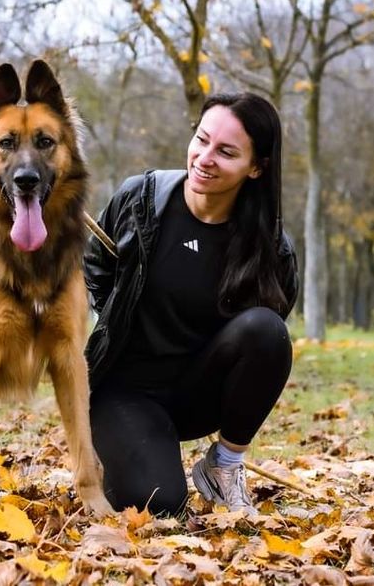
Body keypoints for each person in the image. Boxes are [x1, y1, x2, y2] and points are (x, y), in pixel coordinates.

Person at [83, 92, 299, 516]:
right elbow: (95, 267)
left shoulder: (269, 246)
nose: (204, 157)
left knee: (267, 331)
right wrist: (113, 319)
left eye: (226, 152)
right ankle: (124, 448)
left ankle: (224, 467)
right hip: (124, 392)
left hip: (196, 393)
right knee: (159, 504)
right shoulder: (139, 199)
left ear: (256, 167)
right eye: (201, 140)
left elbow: (268, 339)